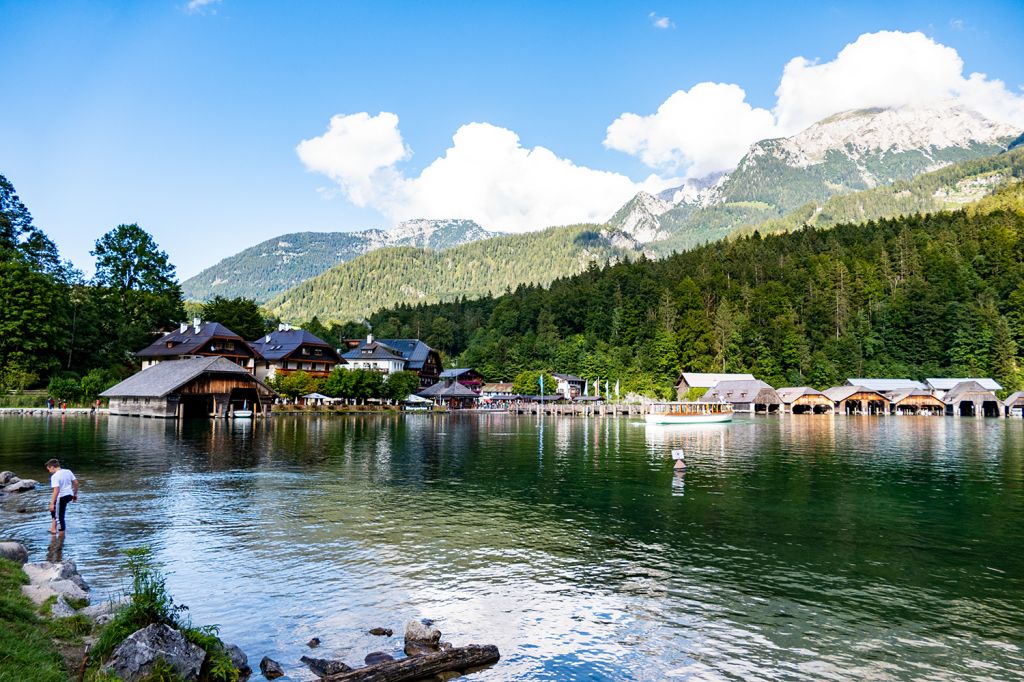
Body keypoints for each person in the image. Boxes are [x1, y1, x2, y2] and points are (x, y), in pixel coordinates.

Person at [45, 458, 78, 535]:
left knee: (60, 517)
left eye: (49, 469)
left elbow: (56, 490)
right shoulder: (68, 471)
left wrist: (52, 503)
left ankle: (61, 536)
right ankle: (53, 528)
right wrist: (75, 494)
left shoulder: (55, 476)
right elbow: (76, 483)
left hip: (61, 497)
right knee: (54, 510)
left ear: (52, 467)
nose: (49, 471)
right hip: (69, 495)